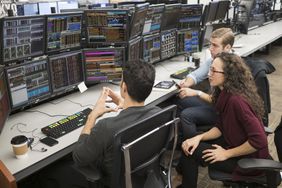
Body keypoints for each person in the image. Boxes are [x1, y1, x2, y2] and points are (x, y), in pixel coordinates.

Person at [35, 60, 160, 188]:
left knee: (54, 172)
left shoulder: (107, 126)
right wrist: (123, 103)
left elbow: (79, 157)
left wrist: (92, 115)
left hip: (111, 183)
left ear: (123, 87)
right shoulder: (159, 114)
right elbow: (135, 115)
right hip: (142, 177)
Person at [178, 52, 269, 188]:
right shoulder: (225, 92)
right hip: (234, 144)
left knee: (190, 152)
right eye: (210, 69)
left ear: (228, 75)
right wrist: (198, 138)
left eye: (214, 71)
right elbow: (220, 126)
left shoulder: (237, 101)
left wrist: (226, 153)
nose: (209, 74)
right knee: (191, 144)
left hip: (249, 161)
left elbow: (259, 140)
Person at [177, 27, 235, 138]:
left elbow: (219, 102)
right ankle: (180, 137)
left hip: (224, 112)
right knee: (181, 100)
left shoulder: (232, 67)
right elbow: (196, 75)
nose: (210, 49)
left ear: (227, 47)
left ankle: (193, 145)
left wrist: (196, 92)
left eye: (215, 46)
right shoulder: (214, 60)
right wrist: (187, 83)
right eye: (210, 44)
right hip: (215, 104)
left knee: (186, 115)